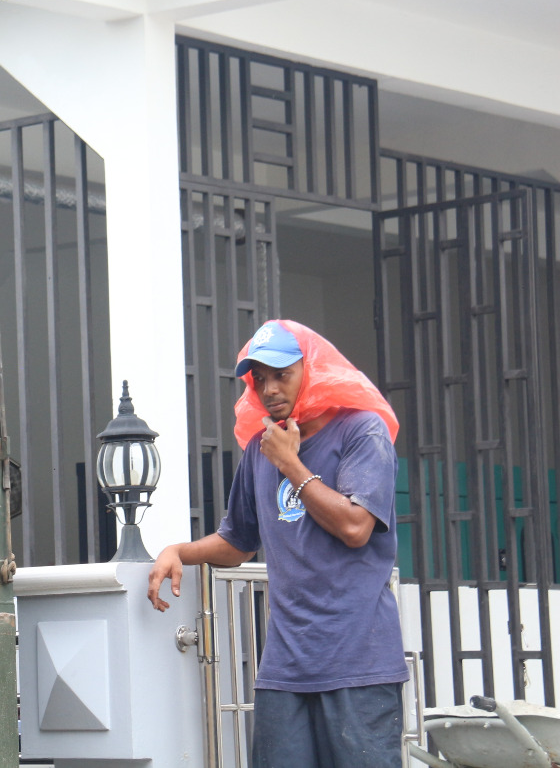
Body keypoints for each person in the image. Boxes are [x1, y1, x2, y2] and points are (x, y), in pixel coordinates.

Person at [147, 320, 407, 768]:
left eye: (280, 374)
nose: (268, 389)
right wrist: (178, 552)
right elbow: (238, 542)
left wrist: (291, 464)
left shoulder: (361, 431)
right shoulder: (260, 451)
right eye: (259, 379)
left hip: (357, 662)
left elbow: (355, 527)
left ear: (313, 369)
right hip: (285, 667)